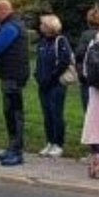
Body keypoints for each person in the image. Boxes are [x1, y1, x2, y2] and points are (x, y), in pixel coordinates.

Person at [0, 0, 30, 167]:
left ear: (2, 10)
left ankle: (16, 151)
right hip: (12, 73)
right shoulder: (11, 25)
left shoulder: (10, 28)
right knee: (10, 112)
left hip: (13, 75)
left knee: (14, 114)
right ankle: (12, 147)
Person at [35, 14, 71, 158]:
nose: (40, 26)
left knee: (56, 114)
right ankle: (49, 141)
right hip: (43, 84)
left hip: (56, 84)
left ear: (50, 26)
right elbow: (38, 61)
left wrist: (51, 78)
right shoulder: (43, 42)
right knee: (47, 114)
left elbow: (64, 61)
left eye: (43, 24)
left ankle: (58, 144)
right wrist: (37, 75)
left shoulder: (61, 41)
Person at [81, 25, 99, 178]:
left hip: (96, 91)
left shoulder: (94, 42)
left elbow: (85, 69)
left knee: (97, 125)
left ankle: (97, 156)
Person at [76, 7, 99, 111]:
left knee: (89, 111)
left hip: (88, 79)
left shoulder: (85, 35)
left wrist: (81, 76)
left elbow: (79, 56)